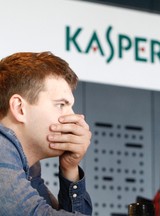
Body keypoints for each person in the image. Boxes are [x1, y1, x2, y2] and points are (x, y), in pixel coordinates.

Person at [0, 52, 92, 215]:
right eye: (61, 104)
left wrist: (70, 168)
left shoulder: (32, 168)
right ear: (19, 108)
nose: (73, 117)